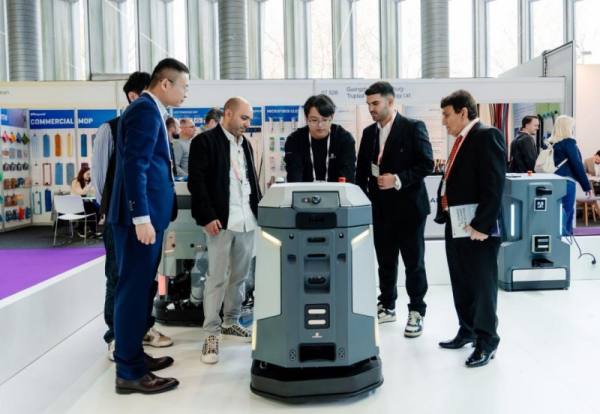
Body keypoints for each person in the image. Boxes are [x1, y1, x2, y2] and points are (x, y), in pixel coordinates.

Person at [108, 58, 189, 394]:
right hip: (138, 220)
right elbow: (135, 165)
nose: (186, 93)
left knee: (142, 289)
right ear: (165, 83)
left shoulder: (152, 110)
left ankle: (135, 356)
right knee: (132, 290)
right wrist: (140, 217)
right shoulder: (144, 110)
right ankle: (128, 371)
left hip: (150, 217)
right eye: (183, 86)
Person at [91, 72, 173, 363]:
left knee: (144, 280)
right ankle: (116, 337)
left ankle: (138, 334)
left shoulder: (153, 122)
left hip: (144, 217)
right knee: (119, 277)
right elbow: (101, 177)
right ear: (134, 96)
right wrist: (111, 211)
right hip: (123, 218)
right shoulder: (110, 128)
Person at [355, 81, 434, 337]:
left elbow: (427, 164)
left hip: (410, 210)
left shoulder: (413, 127)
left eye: (375, 103)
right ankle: (387, 305)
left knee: (414, 263)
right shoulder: (369, 133)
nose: (371, 108)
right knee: (385, 262)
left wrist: (397, 179)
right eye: (368, 104)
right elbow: (361, 172)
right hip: (381, 210)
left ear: (390, 102)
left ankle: (417, 311)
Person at [434, 90, 506, 368]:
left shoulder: (486, 136)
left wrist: (482, 225)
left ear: (463, 112)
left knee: (482, 286)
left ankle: (486, 341)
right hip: (457, 224)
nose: (443, 121)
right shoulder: (462, 140)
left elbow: (494, 185)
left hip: (478, 229)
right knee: (461, 281)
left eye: (446, 114)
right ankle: (467, 330)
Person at [188, 97, 261, 364]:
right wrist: (207, 216)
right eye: (244, 118)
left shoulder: (246, 144)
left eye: (249, 119)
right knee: (216, 277)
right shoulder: (204, 142)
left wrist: (259, 212)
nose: (247, 123)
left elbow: (251, 180)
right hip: (220, 221)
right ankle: (211, 333)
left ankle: (231, 321)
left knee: (240, 276)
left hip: (247, 220)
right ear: (228, 114)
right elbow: (197, 183)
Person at [284, 94, 356, 182]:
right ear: (306, 119)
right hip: (304, 190)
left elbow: (348, 177)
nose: (320, 125)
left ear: (331, 117)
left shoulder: (344, 139)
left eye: (324, 120)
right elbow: (294, 177)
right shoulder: (294, 140)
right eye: (314, 120)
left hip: (337, 190)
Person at [549, 115, 592, 234]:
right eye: (572, 127)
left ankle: (557, 238)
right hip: (567, 182)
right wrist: (586, 186)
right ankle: (565, 239)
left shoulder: (552, 143)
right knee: (567, 212)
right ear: (567, 127)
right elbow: (577, 164)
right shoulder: (569, 143)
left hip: (554, 181)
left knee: (557, 212)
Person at [70, 165, 99, 236]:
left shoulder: (86, 181)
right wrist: (90, 184)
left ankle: (91, 229)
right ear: (82, 173)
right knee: (92, 208)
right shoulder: (76, 181)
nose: (89, 176)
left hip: (84, 203)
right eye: (88, 174)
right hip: (76, 205)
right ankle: (85, 229)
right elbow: (82, 192)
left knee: (98, 208)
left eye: (90, 174)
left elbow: (91, 193)